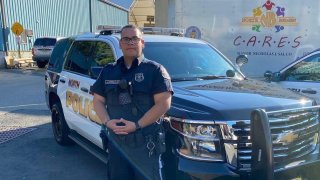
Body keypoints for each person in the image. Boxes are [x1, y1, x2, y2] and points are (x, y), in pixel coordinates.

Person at [91, 24, 173, 180]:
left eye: (135, 38)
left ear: (142, 43)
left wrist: (136, 125)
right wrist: (107, 122)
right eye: (126, 39)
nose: (130, 42)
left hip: (146, 147)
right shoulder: (108, 71)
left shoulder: (155, 70)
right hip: (117, 146)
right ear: (120, 44)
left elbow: (164, 104)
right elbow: (98, 101)